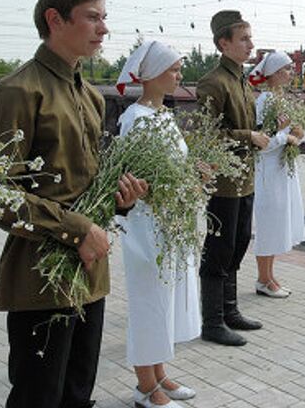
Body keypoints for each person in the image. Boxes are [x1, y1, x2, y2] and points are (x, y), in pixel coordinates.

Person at [0, 0, 148, 408]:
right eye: (93, 17)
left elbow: (87, 187)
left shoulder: (90, 97)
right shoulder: (18, 92)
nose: (104, 29)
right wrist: (78, 230)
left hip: (89, 275)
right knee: (40, 397)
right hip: (39, 281)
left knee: (78, 395)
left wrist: (120, 200)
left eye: (104, 18)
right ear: (55, 18)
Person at [116, 41, 200, 407]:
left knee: (162, 298)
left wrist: (194, 173)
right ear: (150, 75)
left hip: (168, 221)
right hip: (145, 225)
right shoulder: (134, 117)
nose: (179, 76)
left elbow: (170, 166)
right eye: (174, 69)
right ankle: (145, 387)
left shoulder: (162, 115)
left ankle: (159, 373)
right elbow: (132, 176)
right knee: (148, 300)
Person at [196, 10, 269, 346]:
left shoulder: (240, 78)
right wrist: (247, 137)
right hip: (224, 183)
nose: (251, 45)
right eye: (244, 39)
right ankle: (212, 322)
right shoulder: (213, 82)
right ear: (223, 43)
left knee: (239, 243)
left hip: (246, 179)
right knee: (219, 249)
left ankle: (230, 310)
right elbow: (205, 136)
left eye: (250, 38)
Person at [247, 51, 305, 298]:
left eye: (291, 69)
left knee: (279, 222)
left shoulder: (283, 100)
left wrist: (300, 135)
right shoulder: (264, 101)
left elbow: (292, 133)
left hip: (282, 172)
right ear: (272, 73)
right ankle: (263, 278)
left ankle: (270, 275)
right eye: (286, 69)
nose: (290, 73)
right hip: (268, 172)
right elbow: (263, 141)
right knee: (269, 224)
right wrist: (286, 137)